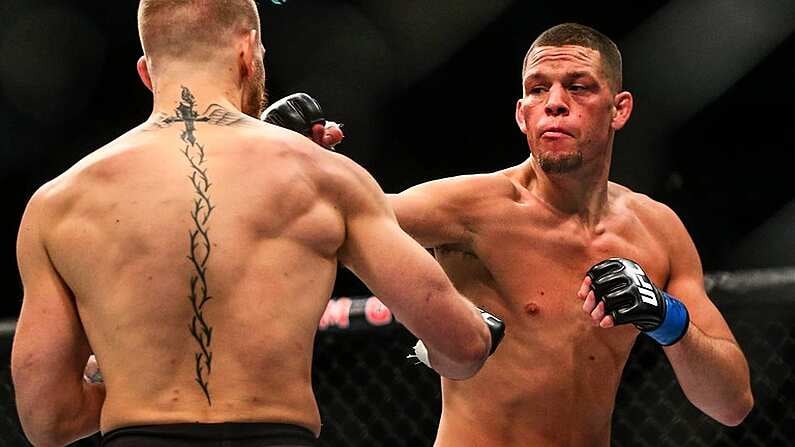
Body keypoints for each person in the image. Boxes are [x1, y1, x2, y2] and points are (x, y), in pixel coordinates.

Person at [10, 2, 504, 446]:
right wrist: (476, 332)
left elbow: (47, 419)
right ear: (249, 53)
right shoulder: (325, 178)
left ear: (146, 71)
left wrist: (132, 381)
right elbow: (462, 345)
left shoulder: (59, 202)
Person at [269, 23, 754, 447]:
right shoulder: (472, 207)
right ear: (522, 114)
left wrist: (669, 321)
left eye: (579, 88)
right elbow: (337, 220)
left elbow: (731, 403)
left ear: (619, 109)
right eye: (538, 90)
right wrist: (292, 157)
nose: (556, 105)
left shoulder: (658, 230)